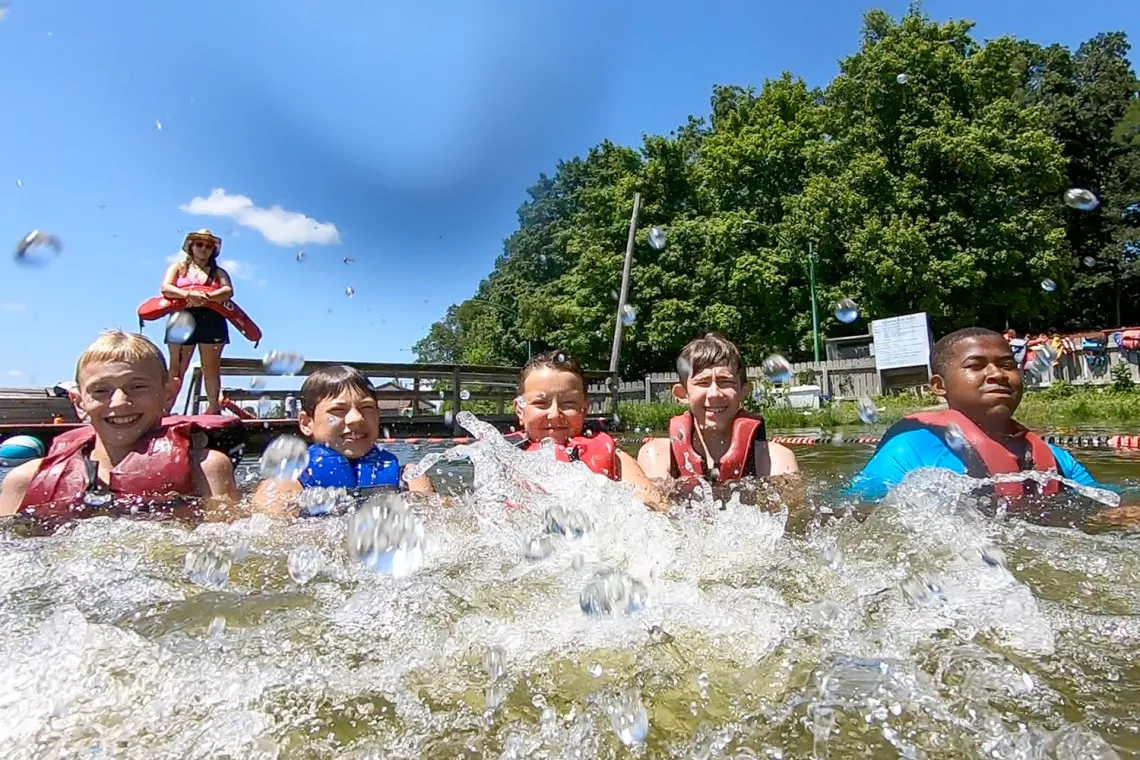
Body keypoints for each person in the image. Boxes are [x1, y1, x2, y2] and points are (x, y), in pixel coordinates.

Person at [0, 330, 239, 520]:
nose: (120, 402)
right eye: (100, 390)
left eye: (137, 387)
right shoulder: (24, 480)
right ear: (80, 403)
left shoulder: (206, 470)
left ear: (168, 394)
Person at [847, 327, 1102, 504]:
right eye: (975, 366)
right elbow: (854, 513)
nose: (998, 374)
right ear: (939, 386)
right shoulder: (910, 449)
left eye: (1007, 365)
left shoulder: (1057, 460)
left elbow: (1110, 508)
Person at [252, 365, 433, 516]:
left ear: (378, 416)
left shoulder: (410, 480)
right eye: (338, 410)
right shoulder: (284, 487)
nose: (356, 418)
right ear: (307, 423)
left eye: (367, 408)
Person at [509, 351, 667, 511]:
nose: (555, 414)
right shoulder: (499, 460)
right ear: (520, 410)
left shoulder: (616, 460)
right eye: (540, 403)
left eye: (569, 403)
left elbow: (657, 512)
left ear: (585, 408)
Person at [637, 334, 799, 483]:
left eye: (725, 382)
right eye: (703, 383)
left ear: (744, 391)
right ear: (682, 394)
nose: (714, 394)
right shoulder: (657, 456)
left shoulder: (776, 460)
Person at [160, 229, 234, 414]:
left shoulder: (218, 272)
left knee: (211, 367)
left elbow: (228, 291)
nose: (203, 248)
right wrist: (187, 294)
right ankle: (165, 407)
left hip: (212, 319)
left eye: (208, 246)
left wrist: (207, 297)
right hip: (182, 318)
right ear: (191, 246)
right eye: (199, 244)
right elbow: (165, 288)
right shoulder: (178, 268)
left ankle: (213, 407)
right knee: (177, 368)